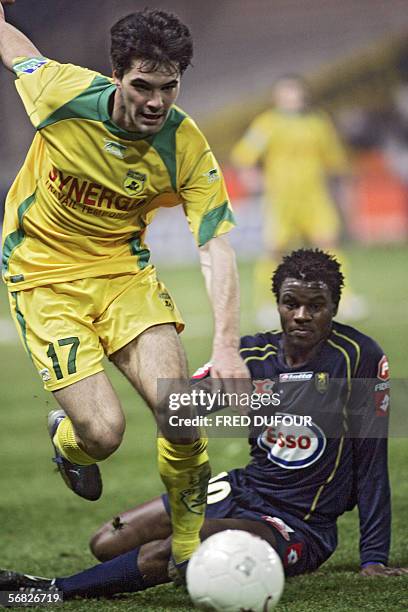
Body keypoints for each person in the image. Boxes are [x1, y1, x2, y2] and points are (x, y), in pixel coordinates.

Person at [0, 0, 249, 573]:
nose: (156, 102)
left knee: (180, 410)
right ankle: (68, 440)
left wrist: (227, 344)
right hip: (42, 275)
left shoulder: (185, 146)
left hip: (122, 273)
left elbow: (215, 247)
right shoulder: (60, 93)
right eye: (142, 86)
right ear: (116, 76)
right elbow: (13, 45)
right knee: (103, 434)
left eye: (169, 86)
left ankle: (189, 554)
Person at [1, 248, 406, 600]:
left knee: (180, 547)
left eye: (315, 306)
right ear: (277, 302)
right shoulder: (252, 353)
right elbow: (178, 409)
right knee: (107, 543)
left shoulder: (358, 358)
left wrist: (373, 558)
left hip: (298, 523)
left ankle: (50, 589)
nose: (300, 316)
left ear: (335, 306)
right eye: (290, 303)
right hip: (244, 488)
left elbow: (371, 463)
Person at [231, 74, 365, 326]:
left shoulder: (318, 123)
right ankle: (267, 303)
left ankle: (342, 300)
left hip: (315, 197)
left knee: (329, 246)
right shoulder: (268, 123)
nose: (292, 98)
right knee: (275, 250)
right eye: (286, 94)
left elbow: (335, 160)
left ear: (303, 95)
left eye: (295, 93)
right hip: (281, 199)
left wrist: (345, 187)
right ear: (277, 98)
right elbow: (244, 155)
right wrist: (251, 176)